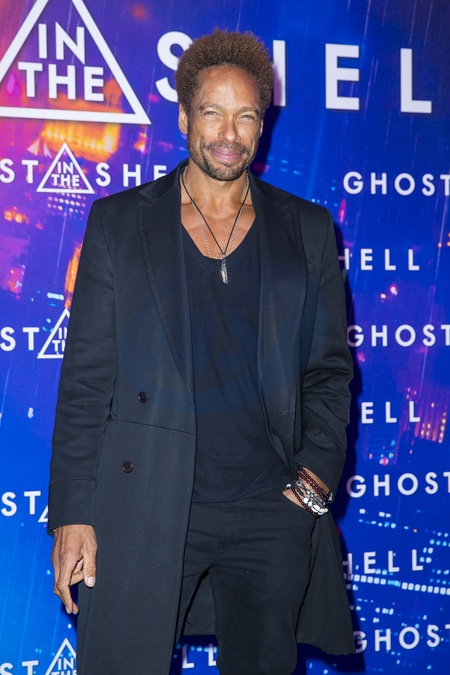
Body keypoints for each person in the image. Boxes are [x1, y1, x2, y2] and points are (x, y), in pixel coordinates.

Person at [49, 29, 354, 675]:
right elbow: (86, 380)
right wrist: (72, 513)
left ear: (262, 125)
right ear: (185, 118)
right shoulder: (119, 223)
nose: (229, 133)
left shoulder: (305, 228)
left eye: (246, 116)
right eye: (212, 112)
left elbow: (329, 368)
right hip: (147, 500)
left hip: (270, 509)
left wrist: (312, 483)